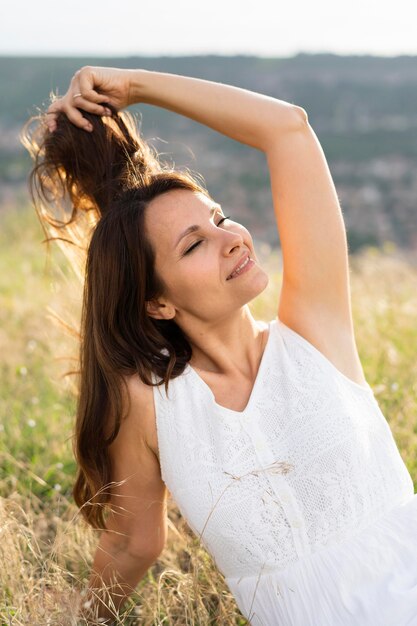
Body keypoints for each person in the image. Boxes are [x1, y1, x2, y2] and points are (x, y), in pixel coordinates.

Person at [24, 66, 417, 625]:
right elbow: (133, 542)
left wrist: (136, 86)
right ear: (157, 303)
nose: (233, 238)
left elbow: (288, 128)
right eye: (195, 245)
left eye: (220, 217)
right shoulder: (150, 403)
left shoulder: (314, 333)